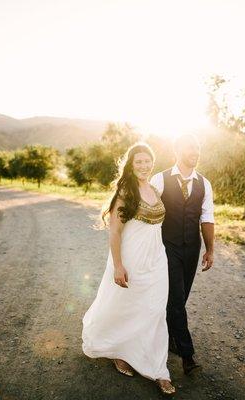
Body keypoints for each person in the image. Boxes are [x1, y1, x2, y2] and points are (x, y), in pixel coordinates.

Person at [82, 142, 176, 395]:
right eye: (138, 162)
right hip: (131, 258)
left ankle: (158, 370)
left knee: (155, 310)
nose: (144, 165)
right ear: (131, 165)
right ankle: (118, 351)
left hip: (157, 259)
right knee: (123, 306)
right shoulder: (126, 190)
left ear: (152, 162)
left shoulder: (155, 189)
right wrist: (118, 266)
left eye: (147, 161)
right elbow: (115, 230)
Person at [150, 133, 215, 375]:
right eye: (190, 147)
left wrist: (210, 249)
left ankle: (167, 337)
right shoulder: (160, 179)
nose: (195, 152)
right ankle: (187, 355)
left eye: (198, 147)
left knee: (181, 296)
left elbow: (207, 218)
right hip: (167, 247)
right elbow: (147, 209)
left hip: (192, 248)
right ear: (177, 150)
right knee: (176, 298)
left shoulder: (204, 183)